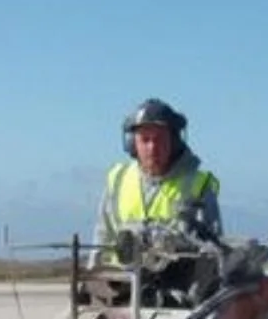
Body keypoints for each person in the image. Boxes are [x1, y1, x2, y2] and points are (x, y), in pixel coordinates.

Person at [92, 97, 221, 267]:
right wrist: (93, 277)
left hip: (177, 288)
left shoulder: (199, 185)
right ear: (133, 144)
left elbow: (214, 251)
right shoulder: (118, 179)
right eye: (145, 140)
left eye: (159, 139)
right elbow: (102, 238)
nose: (152, 147)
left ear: (174, 141)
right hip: (122, 285)